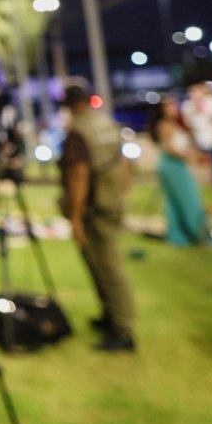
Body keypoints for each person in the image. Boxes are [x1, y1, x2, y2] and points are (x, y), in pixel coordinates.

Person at [58, 81, 136, 352]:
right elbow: (124, 162)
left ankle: (123, 330)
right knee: (101, 263)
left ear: (70, 106)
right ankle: (110, 316)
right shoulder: (105, 123)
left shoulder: (79, 131)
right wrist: (121, 193)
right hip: (112, 200)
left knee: (108, 266)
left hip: (95, 207)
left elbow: (78, 176)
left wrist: (75, 217)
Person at [149, 96, 207, 246]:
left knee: (179, 200)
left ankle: (183, 235)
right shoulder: (164, 125)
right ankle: (193, 232)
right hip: (172, 164)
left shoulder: (177, 124)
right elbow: (169, 148)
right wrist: (188, 156)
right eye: (170, 106)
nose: (174, 109)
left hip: (178, 164)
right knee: (187, 198)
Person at [181, 83, 212, 184]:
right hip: (199, 135)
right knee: (204, 158)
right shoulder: (189, 105)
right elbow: (187, 119)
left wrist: (201, 106)